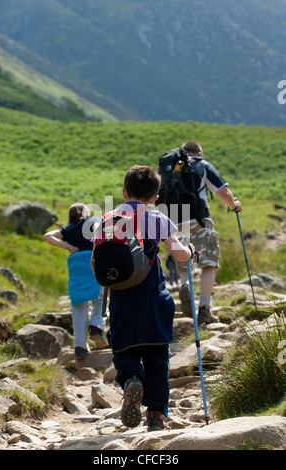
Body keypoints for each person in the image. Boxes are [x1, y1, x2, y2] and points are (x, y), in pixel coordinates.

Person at [93, 165, 195, 431]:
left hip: (121, 299)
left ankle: (130, 381)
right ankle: (156, 417)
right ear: (155, 197)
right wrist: (191, 250)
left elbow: (97, 262)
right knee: (157, 358)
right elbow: (179, 254)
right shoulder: (157, 217)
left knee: (124, 350)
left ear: (124, 191)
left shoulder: (106, 219)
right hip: (153, 297)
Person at [172, 141, 243, 325]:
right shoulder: (202, 165)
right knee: (209, 262)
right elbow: (223, 192)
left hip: (174, 222)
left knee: (183, 258)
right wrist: (234, 205)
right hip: (199, 218)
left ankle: (185, 286)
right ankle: (205, 308)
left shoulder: (173, 168)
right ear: (198, 152)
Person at [43, 202, 107, 359]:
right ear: (85, 212)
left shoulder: (68, 229)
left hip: (76, 264)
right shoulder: (91, 221)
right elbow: (99, 232)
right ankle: (96, 327)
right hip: (90, 260)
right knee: (101, 295)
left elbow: (47, 236)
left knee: (78, 304)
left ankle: (79, 347)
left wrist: (67, 246)